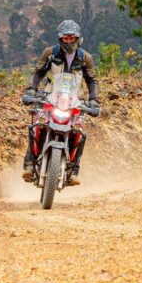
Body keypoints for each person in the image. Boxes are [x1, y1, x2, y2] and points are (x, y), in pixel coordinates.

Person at [22, 20, 100, 184]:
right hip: (50, 97)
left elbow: (92, 80)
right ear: (60, 38)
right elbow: (38, 72)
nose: (69, 41)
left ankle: (74, 170)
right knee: (37, 126)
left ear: (78, 38)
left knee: (78, 133)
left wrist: (93, 100)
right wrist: (31, 90)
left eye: (72, 38)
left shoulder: (85, 57)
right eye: (65, 38)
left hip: (75, 102)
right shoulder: (50, 53)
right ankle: (29, 164)